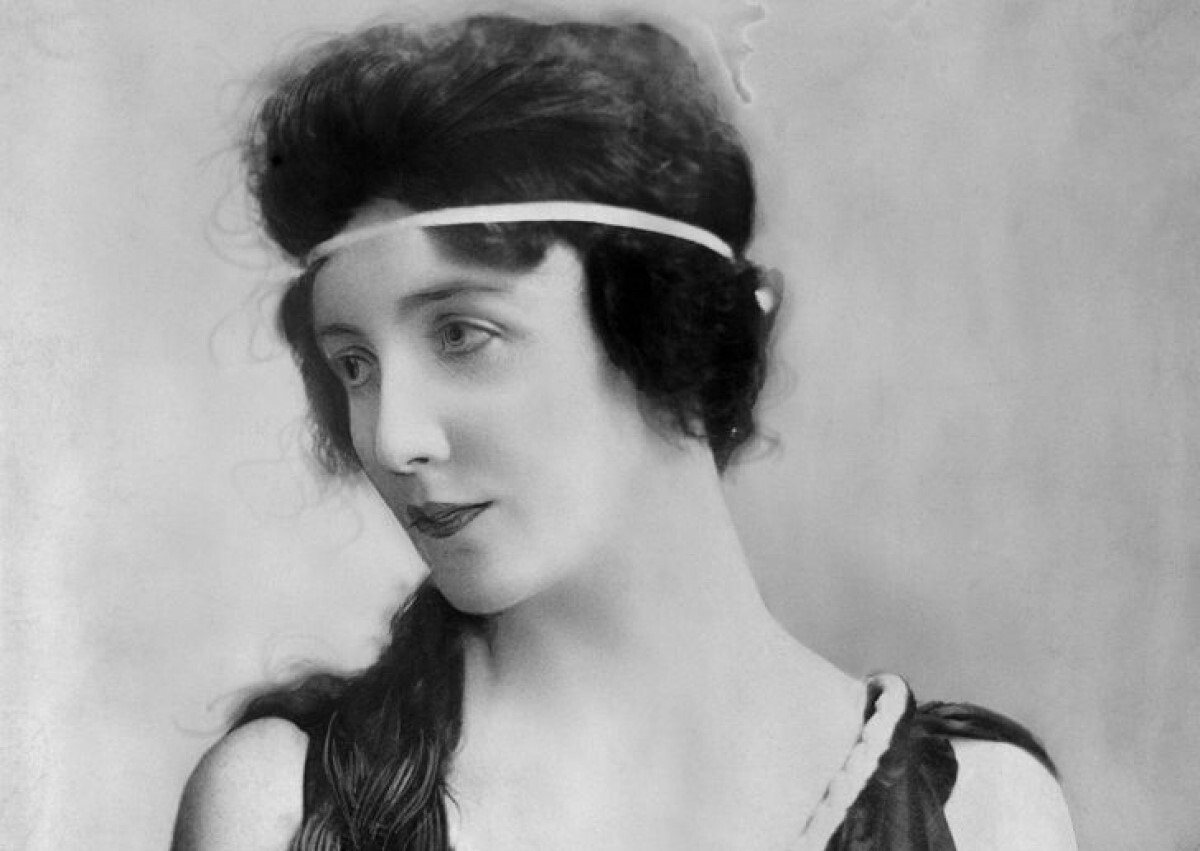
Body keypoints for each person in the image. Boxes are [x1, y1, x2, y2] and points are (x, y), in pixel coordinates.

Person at [171, 13, 1077, 851]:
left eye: (461, 335)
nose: (391, 438)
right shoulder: (280, 806)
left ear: (666, 330)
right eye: (354, 364)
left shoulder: (985, 812)